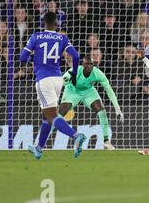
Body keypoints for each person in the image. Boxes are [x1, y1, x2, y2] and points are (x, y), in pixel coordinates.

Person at [20, 12, 86, 160]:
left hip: (44, 80)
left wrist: (34, 58)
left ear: (44, 23)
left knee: (52, 116)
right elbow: (75, 56)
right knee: (47, 116)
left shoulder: (36, 36)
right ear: (57, 24)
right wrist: (74, 74)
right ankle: (39, 148)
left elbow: (22, 58)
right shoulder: (62, 38)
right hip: (58, 79)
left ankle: (75, 136)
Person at [59, 56, 124, 150]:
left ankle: (106, 142)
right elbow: (60, 83)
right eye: (87, 64)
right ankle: (42, 141)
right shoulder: (74, 71)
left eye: (91, 65)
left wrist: (117, 109)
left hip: (88, 91)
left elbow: (109, 90)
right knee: (59, 115)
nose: (89, 66)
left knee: (102, 111)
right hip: (72, 91)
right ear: (82, 65)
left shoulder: (97, 73)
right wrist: (67, 81)